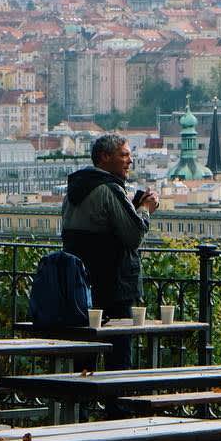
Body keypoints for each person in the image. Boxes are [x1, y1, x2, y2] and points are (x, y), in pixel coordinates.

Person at [61, 133, 159, 371]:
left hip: (81, 286)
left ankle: (80, 406)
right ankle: (118, 408)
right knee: (119, 356)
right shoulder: (109, 189)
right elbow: (133, 236)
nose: (130, 161)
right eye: (124, 154)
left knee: (85, 356)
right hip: (114, 286)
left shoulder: (75, 191)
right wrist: (145, 210)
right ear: (105, 157)